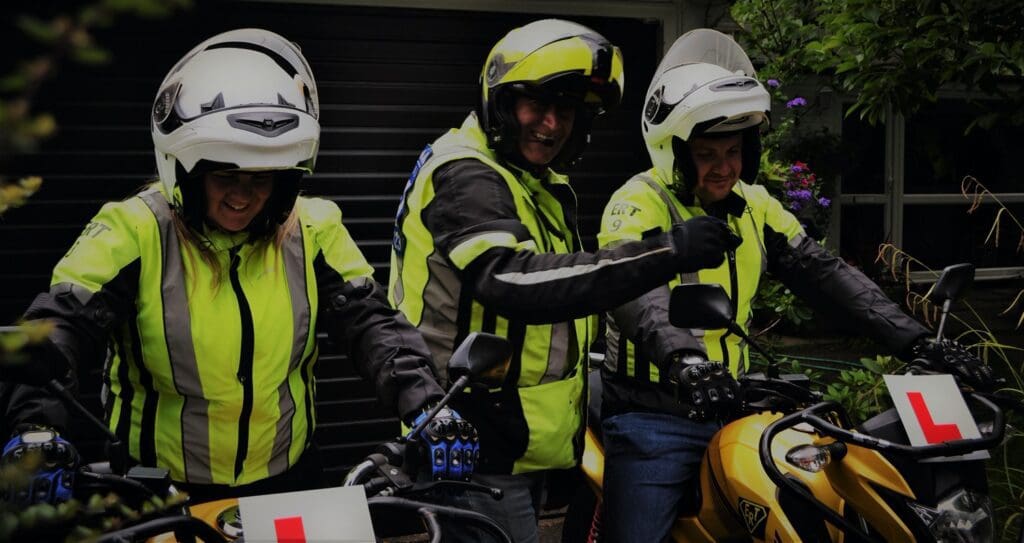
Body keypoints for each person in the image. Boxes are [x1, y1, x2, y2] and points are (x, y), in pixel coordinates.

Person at [0, 28, 475, 505]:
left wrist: (428, 405)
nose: (242, 196)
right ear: (188, 171)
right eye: (226, 175)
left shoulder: (313, 228)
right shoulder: (133, 230)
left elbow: (372, 324)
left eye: (261, 178)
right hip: (159, 487)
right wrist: (35, 428)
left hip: (287, 480)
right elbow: (61, 325)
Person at [596, 28, 998, 542]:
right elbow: (636, 295)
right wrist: (687, 362)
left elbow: (826, 275)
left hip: (732, 403)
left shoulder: (755, 205)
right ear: (673, 150)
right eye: (706, 153)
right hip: (654, 414)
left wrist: (918, 341)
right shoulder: (637, 203)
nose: (724, 168)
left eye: (734, 151)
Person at [388, 19, 742, 542]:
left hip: (518, 444)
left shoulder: (532, 182)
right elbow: (511, 281)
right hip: (473, 441)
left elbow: (582, 284)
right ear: (501, 101)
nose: (551, 124)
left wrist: (674, 349)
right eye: (537, 104)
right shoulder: (467, 174)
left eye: (568, 110)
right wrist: (666, 250)